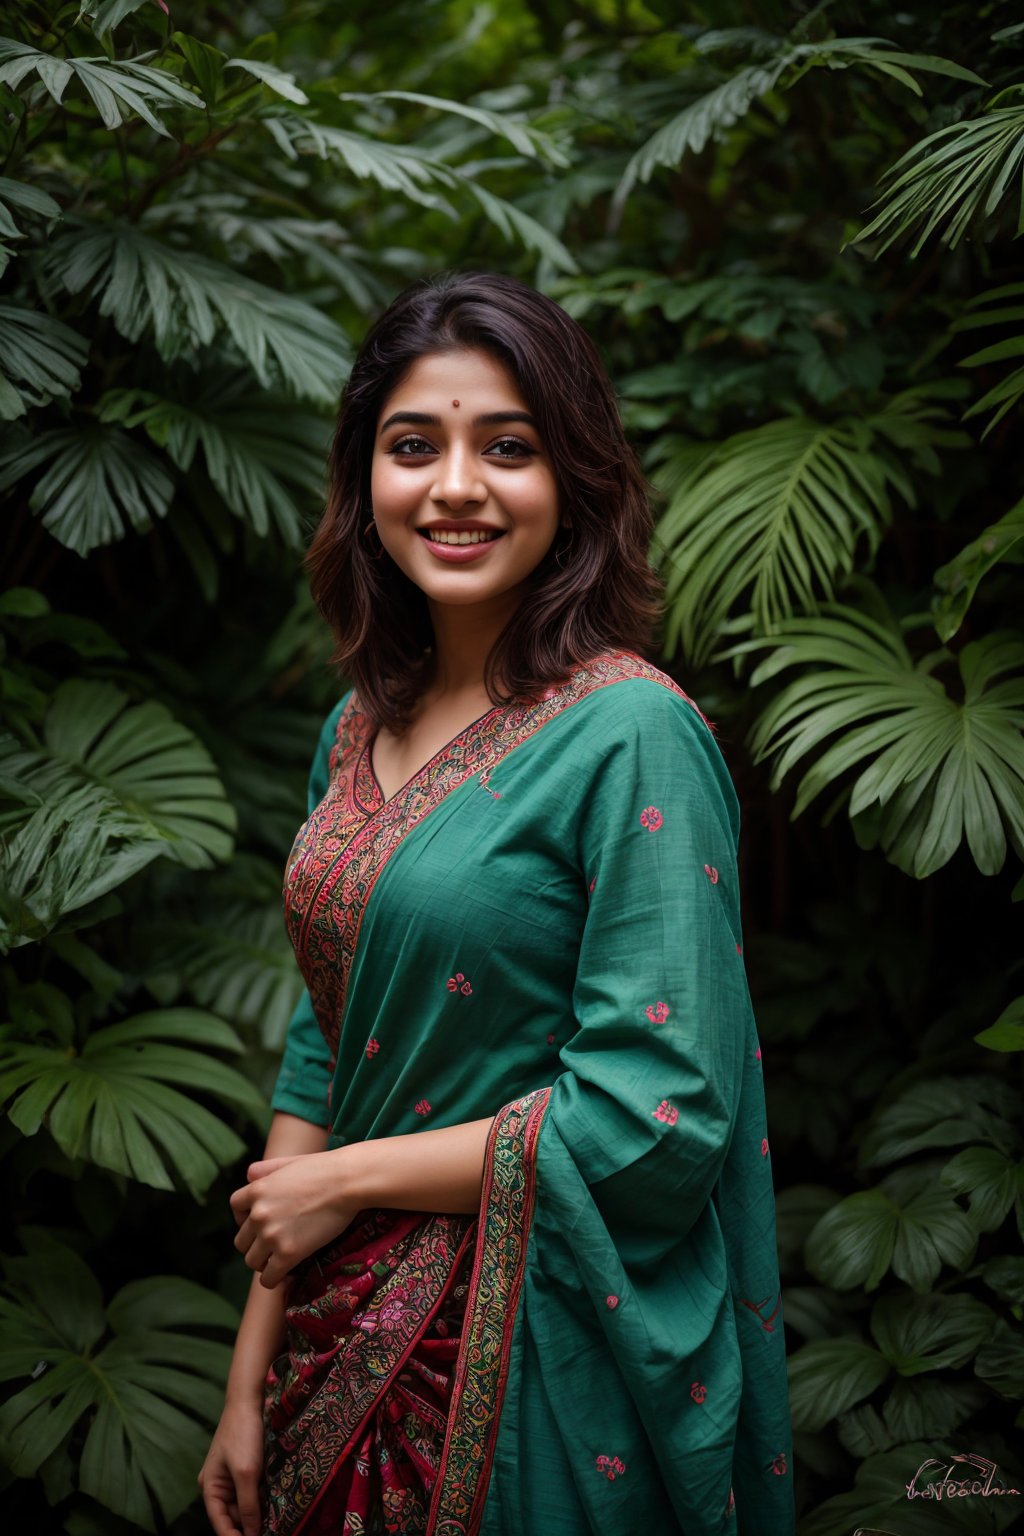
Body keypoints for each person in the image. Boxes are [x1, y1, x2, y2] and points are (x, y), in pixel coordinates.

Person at [198, 271, 794, 1536]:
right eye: (414, 446)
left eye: (507, 448)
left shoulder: (632, 731)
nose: (456, 487)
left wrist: (352, 1183)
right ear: (366, 478)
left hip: (532, 1356)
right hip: (329, 1340)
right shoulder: (360, 726)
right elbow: (325, 1048)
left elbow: (656, 1111)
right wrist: (247, 1378)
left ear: (572, 480)